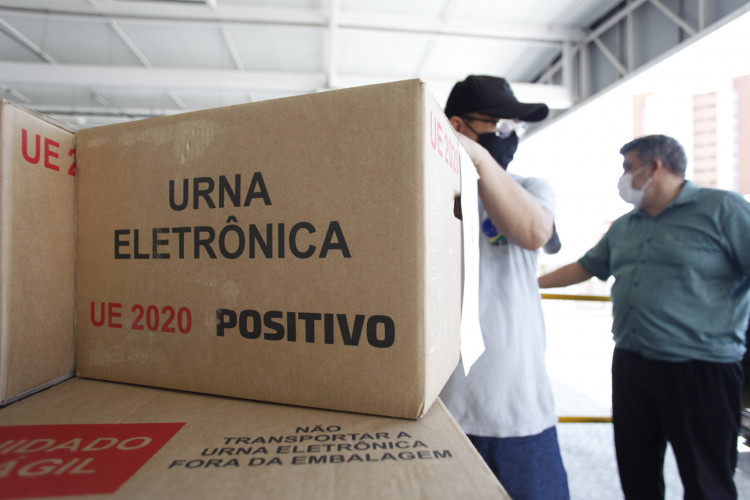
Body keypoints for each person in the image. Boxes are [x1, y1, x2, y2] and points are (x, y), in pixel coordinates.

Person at [538, 134, 750, 500]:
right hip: (632, 365)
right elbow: (586, 267)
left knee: (707, 482)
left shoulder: (723, 210)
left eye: (627, 168)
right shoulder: (625, 226)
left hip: (700, 370)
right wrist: (526, 285)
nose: (623, 178)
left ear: (655, 167)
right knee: (637, 475)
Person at [439, 75, 570, 500]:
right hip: (442, 409)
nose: (509, 137)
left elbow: (534, 230)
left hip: (516, 410)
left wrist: (477, 157)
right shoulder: (426, 193)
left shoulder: (529, 188)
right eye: (499, 125)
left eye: (515, 127)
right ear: (456, 125)